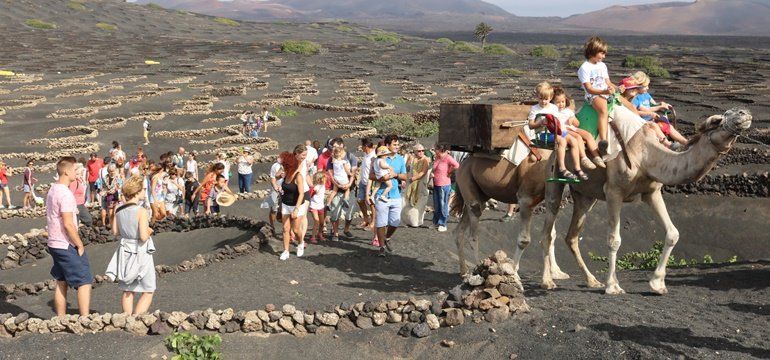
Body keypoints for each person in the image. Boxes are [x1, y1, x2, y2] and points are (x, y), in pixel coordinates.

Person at [46, 157, 93, 317]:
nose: (76, 173)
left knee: (62, 280)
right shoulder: (65, 194)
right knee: (84, 280)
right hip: (65, 243)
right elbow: (68, 223)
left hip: (53, 242)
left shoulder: (53, 189)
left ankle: (60, 318)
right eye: (74, 170)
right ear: (66, 171)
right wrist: (79, 244)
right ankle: (85, 319)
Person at [107, 175, 156, 315]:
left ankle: (126, 318)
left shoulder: (119, 210)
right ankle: (137, 319)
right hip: (140, 251)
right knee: (148, 289)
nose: (144, 192)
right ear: (137, 191)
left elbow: (115, 231)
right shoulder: (141, 211)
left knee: (128, 289)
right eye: (143, 190)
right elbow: (143, 236)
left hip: (125, 250)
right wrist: (150, 230)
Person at [578, 36, 617, 155]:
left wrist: (615, 88)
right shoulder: (584, 68)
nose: (604, 56)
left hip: (605, 91)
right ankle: (603, 140)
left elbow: (608, 82)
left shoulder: (602, 66)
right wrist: (604, 92)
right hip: (593, 95)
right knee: (603, 110)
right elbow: (589, 88)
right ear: (593, 51)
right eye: (602, 53)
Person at [631, 72, 688, 149]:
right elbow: (634, 113)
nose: (647, 88)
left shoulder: (646, 95)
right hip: (642, 122)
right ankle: (668, 144)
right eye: (645, 86)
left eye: (647, 85)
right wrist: (650, 113)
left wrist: (662, 104)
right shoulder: (635, 98)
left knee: (669, 126)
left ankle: (686, 142)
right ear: (637, 86)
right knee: (655, 126)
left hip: (652, 119)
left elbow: (654, 104)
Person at [552, 87, 605, 169]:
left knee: (588, 135)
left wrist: (572, 119)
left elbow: (577, 124)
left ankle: (596, 156)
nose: (561, 104)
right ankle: (584, 158)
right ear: (553, 103)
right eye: (558, 102)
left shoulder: (568, 111)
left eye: (562, 101)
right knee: (578, 137)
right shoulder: (554, 112)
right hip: (563, 130)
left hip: (572, 128)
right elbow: (554, 124)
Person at [371, 135, 407, 256]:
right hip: (381, 194)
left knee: (395, 222)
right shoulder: (379, 158)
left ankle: (386, 237)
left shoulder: (401, 159)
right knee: (381, 222)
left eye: (398, 144)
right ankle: (381, 247)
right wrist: (381, 178)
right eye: (394, 144)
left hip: (396, 195)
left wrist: (395, 175)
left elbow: (405, 176)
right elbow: (371, 176)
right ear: (387, 145)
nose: (397, 146)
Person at [278, 151, 307, 261]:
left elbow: (302, 194)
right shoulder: (285, 174)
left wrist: (296, 209)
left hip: (297, 204)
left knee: (295, 229)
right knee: (285, 229)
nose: (283, 167)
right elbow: (275, 177)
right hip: (286, 204)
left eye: (284, 165)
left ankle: (300, 242)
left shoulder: (298, 176)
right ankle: (286, 251)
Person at [430, 144, 459, 232]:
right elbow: (435, 168)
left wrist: (449, 172)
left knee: (443, 204)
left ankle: (443, 223)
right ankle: (436, 222)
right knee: (436, 204)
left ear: (440, 149)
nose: (434, 150)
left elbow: (456, 165)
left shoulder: (447, 157)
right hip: (436, 183)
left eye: (435, 149)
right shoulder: (437, 158)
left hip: (444, 184)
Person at [402, 143, 431, 228]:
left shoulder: (426, 160)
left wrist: (414, 178)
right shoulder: (412, 159)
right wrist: (409, 161)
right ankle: (408, 221)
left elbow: (423, 172)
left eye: (422, 150)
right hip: (411, 184)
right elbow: (406, 169)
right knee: (408, 202)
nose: (421, 152)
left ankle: (416, 222)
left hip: (421, 184)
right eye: (419, 151)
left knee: (419, 204)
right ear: (415, 152)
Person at [356, 138, 376, 230]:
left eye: (362, 146)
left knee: (371, 203)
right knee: (360, 200)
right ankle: (366, 220)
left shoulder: (374, 156)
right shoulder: (365, 154)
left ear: (366, 146)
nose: (361, 148)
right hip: (363, 181)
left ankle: (373, 222)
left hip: (370, 183)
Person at [263, 156, 284, 232]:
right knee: (273, 209)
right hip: (275, 189)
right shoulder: (275, 166)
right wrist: (275, 187)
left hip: (285, 189)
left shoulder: (290, 165)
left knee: (284, 209)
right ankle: (272, 226)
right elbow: (273, 179)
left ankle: (285, 228)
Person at [308, 172, 326, 244]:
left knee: (321, 223)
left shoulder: (323, 186)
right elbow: (310, 195)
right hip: (314, 206)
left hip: (320, 206)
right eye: (324, 178)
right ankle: (313, 237)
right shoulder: (315, 187)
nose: (325, 179)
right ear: (319, 179)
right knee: (316, 221)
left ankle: (319, 234)